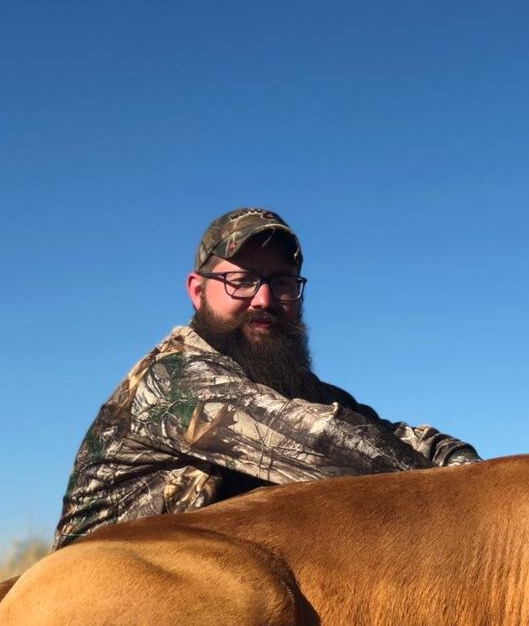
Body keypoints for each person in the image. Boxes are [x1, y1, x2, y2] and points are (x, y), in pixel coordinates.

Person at [53, 207, 479, 548]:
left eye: (283, 283)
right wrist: (481, 503)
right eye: (240, 281)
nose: (265, 299)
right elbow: (327, 444)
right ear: (197, 290)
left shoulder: (284, 384)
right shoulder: (176, 378)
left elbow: (393, 435)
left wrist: (469, 469)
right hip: (98, 604)